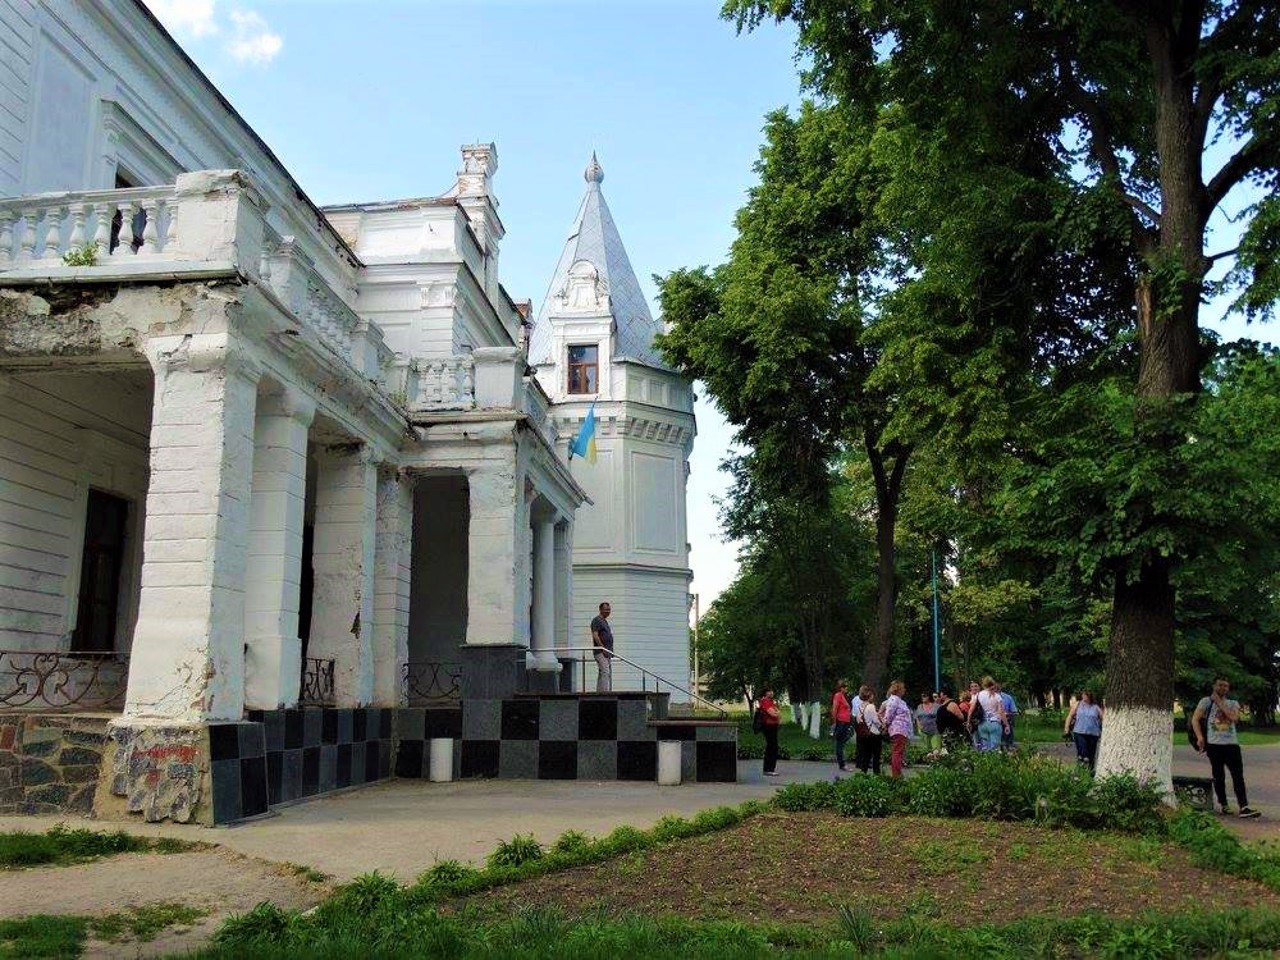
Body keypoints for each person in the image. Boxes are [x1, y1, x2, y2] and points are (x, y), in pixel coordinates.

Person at [1192, 678, 1259, 818]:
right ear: (1214, 686)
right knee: (1219, 776)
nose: (1223, 688)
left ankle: (1244, 806)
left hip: (1231, 744)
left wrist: (1219, 702)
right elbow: (1195, 719)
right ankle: (1224, 805)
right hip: (1214, 745)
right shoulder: (1205, 701)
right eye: (1220, 685)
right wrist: (1200, 737)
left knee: (1238, 776)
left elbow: (1234, 718)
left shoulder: (1232, 703)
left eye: (1226, 686)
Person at [1064, 690, 1103, 773]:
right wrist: (1066, 729)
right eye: (1083, 694)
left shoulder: (1096, 707)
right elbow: (1070, 716)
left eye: (1086, 695)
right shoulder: (1078, 704)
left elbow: (1103, 718)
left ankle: (1090, 772)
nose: (1084, 696)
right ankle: (1081, 769)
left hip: (1093, 734)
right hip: (1079, 732)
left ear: (1090, 696)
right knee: (1084, 752)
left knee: (1091, 755)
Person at [880, 680, 913, 778]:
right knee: (897, 752)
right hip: (897, 729)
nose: (905, 690)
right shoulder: (893, 700)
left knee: (899, 752)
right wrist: (885, 724)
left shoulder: (899, 700)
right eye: (903, 688)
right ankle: (896, 775)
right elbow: (889, 714)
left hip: (902, 730)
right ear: (898, 690)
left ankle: (897, 773)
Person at [971, 676, 1008, 752]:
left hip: (982, 723)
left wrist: (968, 721)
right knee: (995, 749)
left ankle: (986, 762)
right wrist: (1006, 725)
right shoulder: (997, 696)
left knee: (985, 748)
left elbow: (971, 709)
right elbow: (1001, 712)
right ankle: (994, 762)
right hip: (995, 723)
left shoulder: (978, 695)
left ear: (983, 685)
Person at [854, 686, 883, 774]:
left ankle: (864, 773)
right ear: (869, 695)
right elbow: (876, 721)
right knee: (876, 756)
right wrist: (882, 725)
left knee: (866, 755)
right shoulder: (871, 706)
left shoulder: (860, 707)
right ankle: (876, 773)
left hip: (864, 734)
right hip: (873, 734)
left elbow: (858, 720)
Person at [590, 601, 613, 692]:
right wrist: (602, 648)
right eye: (606, 609)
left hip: (606, 652)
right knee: (605, 671)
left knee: (602, 672)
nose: (608, 611)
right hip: (601, 652)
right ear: (600, 610)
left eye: (609, 609)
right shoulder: (596, 620)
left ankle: (600, 691)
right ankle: (604, 692)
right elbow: (595, 635)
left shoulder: (604, 621)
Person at [831, 679, 853, 772]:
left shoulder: (843, 696)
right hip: (840, 722)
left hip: (845, 722)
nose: (846, 689)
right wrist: (834, 722)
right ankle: (842, 764)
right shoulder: (838, 696)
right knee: (840, 743)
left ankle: (842, 763)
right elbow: (834, 709)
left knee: (842, 742)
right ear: (841, 688)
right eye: (845, 687)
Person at [760, 686, 782, 777]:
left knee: (773, 746)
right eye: (769, 691)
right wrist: (776, 713)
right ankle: (768, 769)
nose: (771, 693)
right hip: (768, 726)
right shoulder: (765, 701)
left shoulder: (771, 702)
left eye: (772, 691)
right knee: (771, 746)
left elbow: (778, 712)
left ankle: (770, 768)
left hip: (773, 726)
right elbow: (772, 713)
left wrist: (777, 713)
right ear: (765, 693)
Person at [997, 682, 1019, 750]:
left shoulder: (1008, 697)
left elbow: (1014, 712)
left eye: (998, 686)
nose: (996, 687)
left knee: (1008, 723)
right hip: (994, 722)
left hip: (1006, 720)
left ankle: (1009, 746)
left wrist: (1006, 714)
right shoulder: (987, 697)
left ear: (1001, 686)